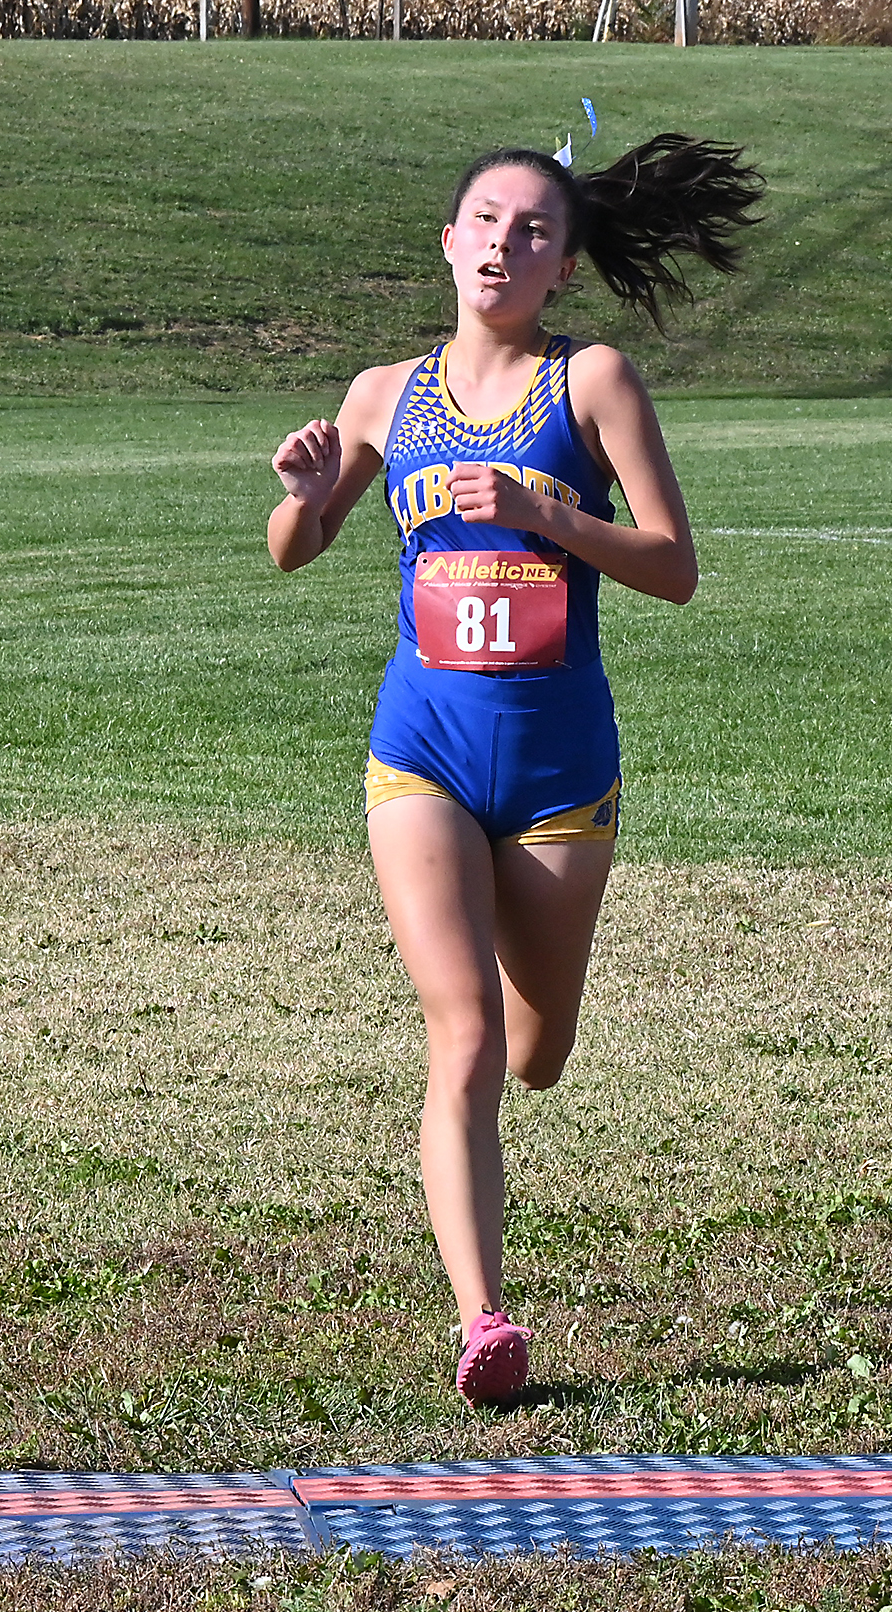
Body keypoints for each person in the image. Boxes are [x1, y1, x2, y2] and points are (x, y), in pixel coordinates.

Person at [266, 135, 761, 1404]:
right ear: (447, 240)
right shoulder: (384, 394)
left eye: (533, 230)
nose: (502, 244)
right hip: (420, 753)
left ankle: (506, 954)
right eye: (484, 221)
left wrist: (548, 515)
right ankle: (485, 1321)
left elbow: (673, 565)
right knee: (467, 1037)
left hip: (557, 776)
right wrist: (305, 494)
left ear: (565, 263)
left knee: (537, 1053)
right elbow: (294, 549)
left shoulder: (591, 383)